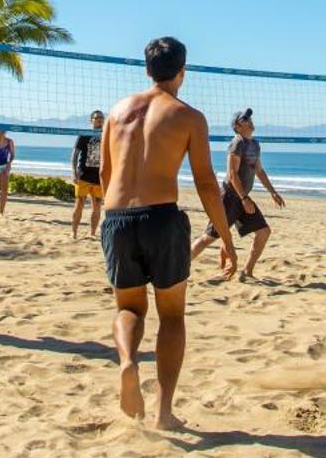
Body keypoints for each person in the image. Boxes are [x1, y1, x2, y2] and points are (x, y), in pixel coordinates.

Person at [100, 38, 235, 430]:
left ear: (146, 69)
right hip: (161, 218)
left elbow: (107, 176)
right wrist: (225, 238)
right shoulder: (188, 116)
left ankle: (127, 361)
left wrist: (108, 222)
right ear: (183, 72)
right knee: (172, 316)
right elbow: (208, 184)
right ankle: (164, 412)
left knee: (128, 308)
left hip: (117, 217)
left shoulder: (117, 111)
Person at [192, 107, 285, 281]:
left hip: (243, 198)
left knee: (264, 232)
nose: (250, 121)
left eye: (250, 118)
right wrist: (244, 198)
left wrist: (273, 192)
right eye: (245, 119)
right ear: (237, 126)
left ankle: (247, 272)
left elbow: (259, 171)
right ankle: (180, 268)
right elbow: (232, 174)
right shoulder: (237, 143)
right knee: (209, 237)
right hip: (230, 197)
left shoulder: (255, 145)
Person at [70, 109, 106, 240]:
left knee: (97, 207)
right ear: (91, 120)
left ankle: (92, 233)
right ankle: (73, 233)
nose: (99, 119)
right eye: (96, 118)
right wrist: (74, 172)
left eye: (101, 117)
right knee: (79, 204)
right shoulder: (84, 135)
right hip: (83, 175)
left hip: (99, 176)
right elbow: (74, 155)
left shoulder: (107, 135)